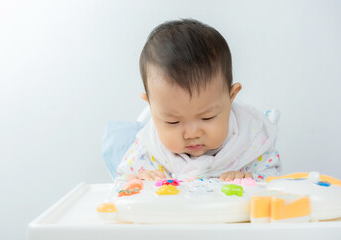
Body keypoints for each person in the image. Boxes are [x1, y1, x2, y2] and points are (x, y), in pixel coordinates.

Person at [116, 18, 281, 183]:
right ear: (151, 106)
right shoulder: (148, 149)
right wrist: (138, 181)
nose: (192, 134)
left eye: (207, 117)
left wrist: (249, 180)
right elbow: (121, 187)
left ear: (231, 97)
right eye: (172, 121)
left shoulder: (251, 137)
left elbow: (274, 184)